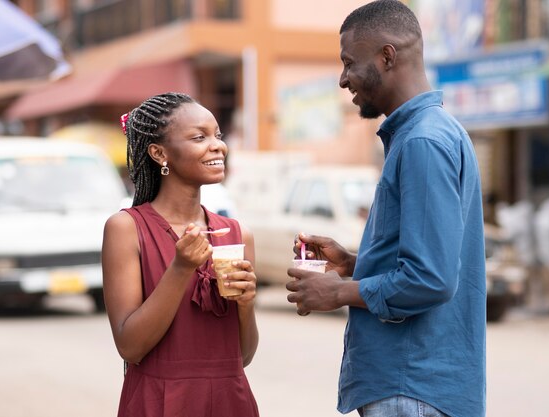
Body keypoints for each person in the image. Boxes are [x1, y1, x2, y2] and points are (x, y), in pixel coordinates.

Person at [285, 2, 486, 417]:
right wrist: (353, 265)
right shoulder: (428, 132)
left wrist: (338, 292)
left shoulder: (422, 142)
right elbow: (430, 260)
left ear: (387, 56)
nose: (343, 79)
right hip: (416, 383)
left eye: (348, 63)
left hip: (411, 385)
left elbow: (430, 279)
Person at [102, 92, 259, 417]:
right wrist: (181, 267)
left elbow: (242, 356)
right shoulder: (126, 229)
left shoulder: (236, 233)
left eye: (218, 135)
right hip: (160, 400)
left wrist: (245, 306)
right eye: (199, 137)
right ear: (159, 153)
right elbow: (130, 346)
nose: (218, 145)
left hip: (231, 400)